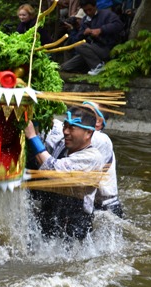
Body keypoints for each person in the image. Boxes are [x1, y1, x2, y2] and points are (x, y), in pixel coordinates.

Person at [25, 106, 105, 240]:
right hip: (50, 211)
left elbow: (52, 169)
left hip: (74, 223)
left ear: (88, 133)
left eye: (72, 128)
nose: (66, 132)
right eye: (65, 126)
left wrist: (32, 137)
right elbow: (45, 143)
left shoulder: (92, 157)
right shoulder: (63, 144)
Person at [60, 0, 124, 75]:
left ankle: (98, 66)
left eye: (90, 9)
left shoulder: (106, 14)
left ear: (95, 7)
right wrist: (83, 33)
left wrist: (101, 30)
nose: (88, 12)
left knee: (80, 46)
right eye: (85, 10)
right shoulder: (85, 20)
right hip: (90, 50)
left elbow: (119, 25)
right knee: (65, 67)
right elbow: (77, 39)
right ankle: (90, 67)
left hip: (106, 48)